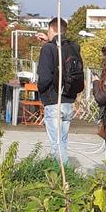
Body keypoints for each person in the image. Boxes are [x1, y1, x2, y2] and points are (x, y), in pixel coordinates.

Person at [36, 16, 84, 164]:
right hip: (68, 100)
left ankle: (65, 175)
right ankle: (64, 172)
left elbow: (44, 78)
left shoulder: (47, 49)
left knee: (56, 143)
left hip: (53, 100)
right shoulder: (73, 47)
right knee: (62, 141)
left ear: (50, 29)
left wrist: (41, 91)